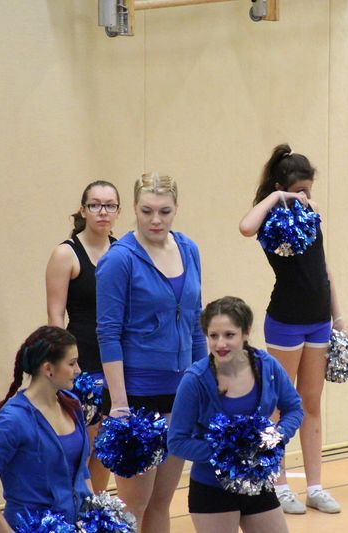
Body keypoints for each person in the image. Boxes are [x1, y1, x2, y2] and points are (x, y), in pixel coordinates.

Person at [96, 172, 207, 531]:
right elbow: (108, 333)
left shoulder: (189, 249)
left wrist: (205, 385)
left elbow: (195, 323)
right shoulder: (119, 259)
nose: (155, 220)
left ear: (176, 209)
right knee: (135, 506)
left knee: (162, 502)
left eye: (164, 211)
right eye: (147, 211)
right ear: (134, 209)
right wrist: (119, 404)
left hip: (180, 394)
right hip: (137, 396)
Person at [238, 144, 345, 514]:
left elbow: (325, 270)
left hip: (318, 320)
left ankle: (315, 486)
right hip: (286, 320)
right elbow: (245, 227)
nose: (306, 198)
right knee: (278, 405)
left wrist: (339, 317)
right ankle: (279, 483)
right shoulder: (272, 220)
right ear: (281, 188)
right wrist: (276, 198)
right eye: (299, 191)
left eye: (309, 191)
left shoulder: (311, 216)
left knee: (311, 403)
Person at [168, 296, 303, 533]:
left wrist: (276, 437)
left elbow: (294, 408)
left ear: (246, 332)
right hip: (212, 489)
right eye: (213, 336)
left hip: (257, 483)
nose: (220, 343)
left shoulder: (267, 366)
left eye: (229, 335)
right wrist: (227, 451)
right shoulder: (195, 380)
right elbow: (177, 441)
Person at [0, 326, 91, 532]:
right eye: (71, 363)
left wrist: (93, 514)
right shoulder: (12, 420)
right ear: (48, 369)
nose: (78, 370)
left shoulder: (72, 404)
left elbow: (81, 470)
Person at [46, 180, 120, 492]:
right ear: (83, 210)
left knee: (106, 445)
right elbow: (55, 317)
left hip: (116, 359)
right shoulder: (66, 253)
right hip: (82, 361)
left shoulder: (123, 251)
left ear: (118, 212)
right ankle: (73, 509)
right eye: (95, 205)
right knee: (82, 445)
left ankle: (96, 507)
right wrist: (66, 365)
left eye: (110, 205)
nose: (103, 211)